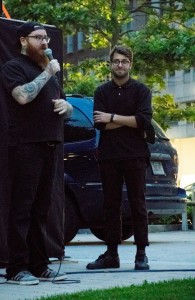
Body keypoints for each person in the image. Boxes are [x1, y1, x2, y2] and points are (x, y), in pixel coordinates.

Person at [0, 21, 73, 285]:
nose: (45, 43)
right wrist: (48, 73)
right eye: (38, 38)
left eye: (46, 39)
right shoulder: (13, 68)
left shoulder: (47, 71)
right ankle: (16, 268)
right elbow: (22, 96)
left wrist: (68, 107)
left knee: (42, 209)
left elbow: (61, 103)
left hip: (50, 145)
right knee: (23, 209)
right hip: (25, 146)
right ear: (22, 40)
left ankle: (39, 265)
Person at [86, 45, 152, 271]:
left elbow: (143, 121)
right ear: (110, 64)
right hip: (109, 156)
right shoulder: (101, 92)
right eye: (116, 61)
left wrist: (112, 117)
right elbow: (99, 123)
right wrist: (129, 120)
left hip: (136, 155)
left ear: (130, 64)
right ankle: (111, 254)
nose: (120, 65)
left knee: (138, 205)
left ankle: (141, 254)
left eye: (124, 61)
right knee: (111, 206)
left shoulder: (141, 91)